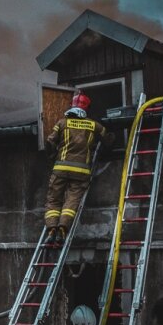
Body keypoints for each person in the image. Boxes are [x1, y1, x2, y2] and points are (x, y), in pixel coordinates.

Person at [43, 91, 112, 244]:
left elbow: (49, 142)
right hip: (82, 172)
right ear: (86, 108)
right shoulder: (94, 125)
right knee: (72, 201)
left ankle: (52, 229)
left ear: (72, 106)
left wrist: (51, 156)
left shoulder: (61, 123)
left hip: (60, 168)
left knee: (54, 200)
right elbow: (108, 139)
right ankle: (63, 228)